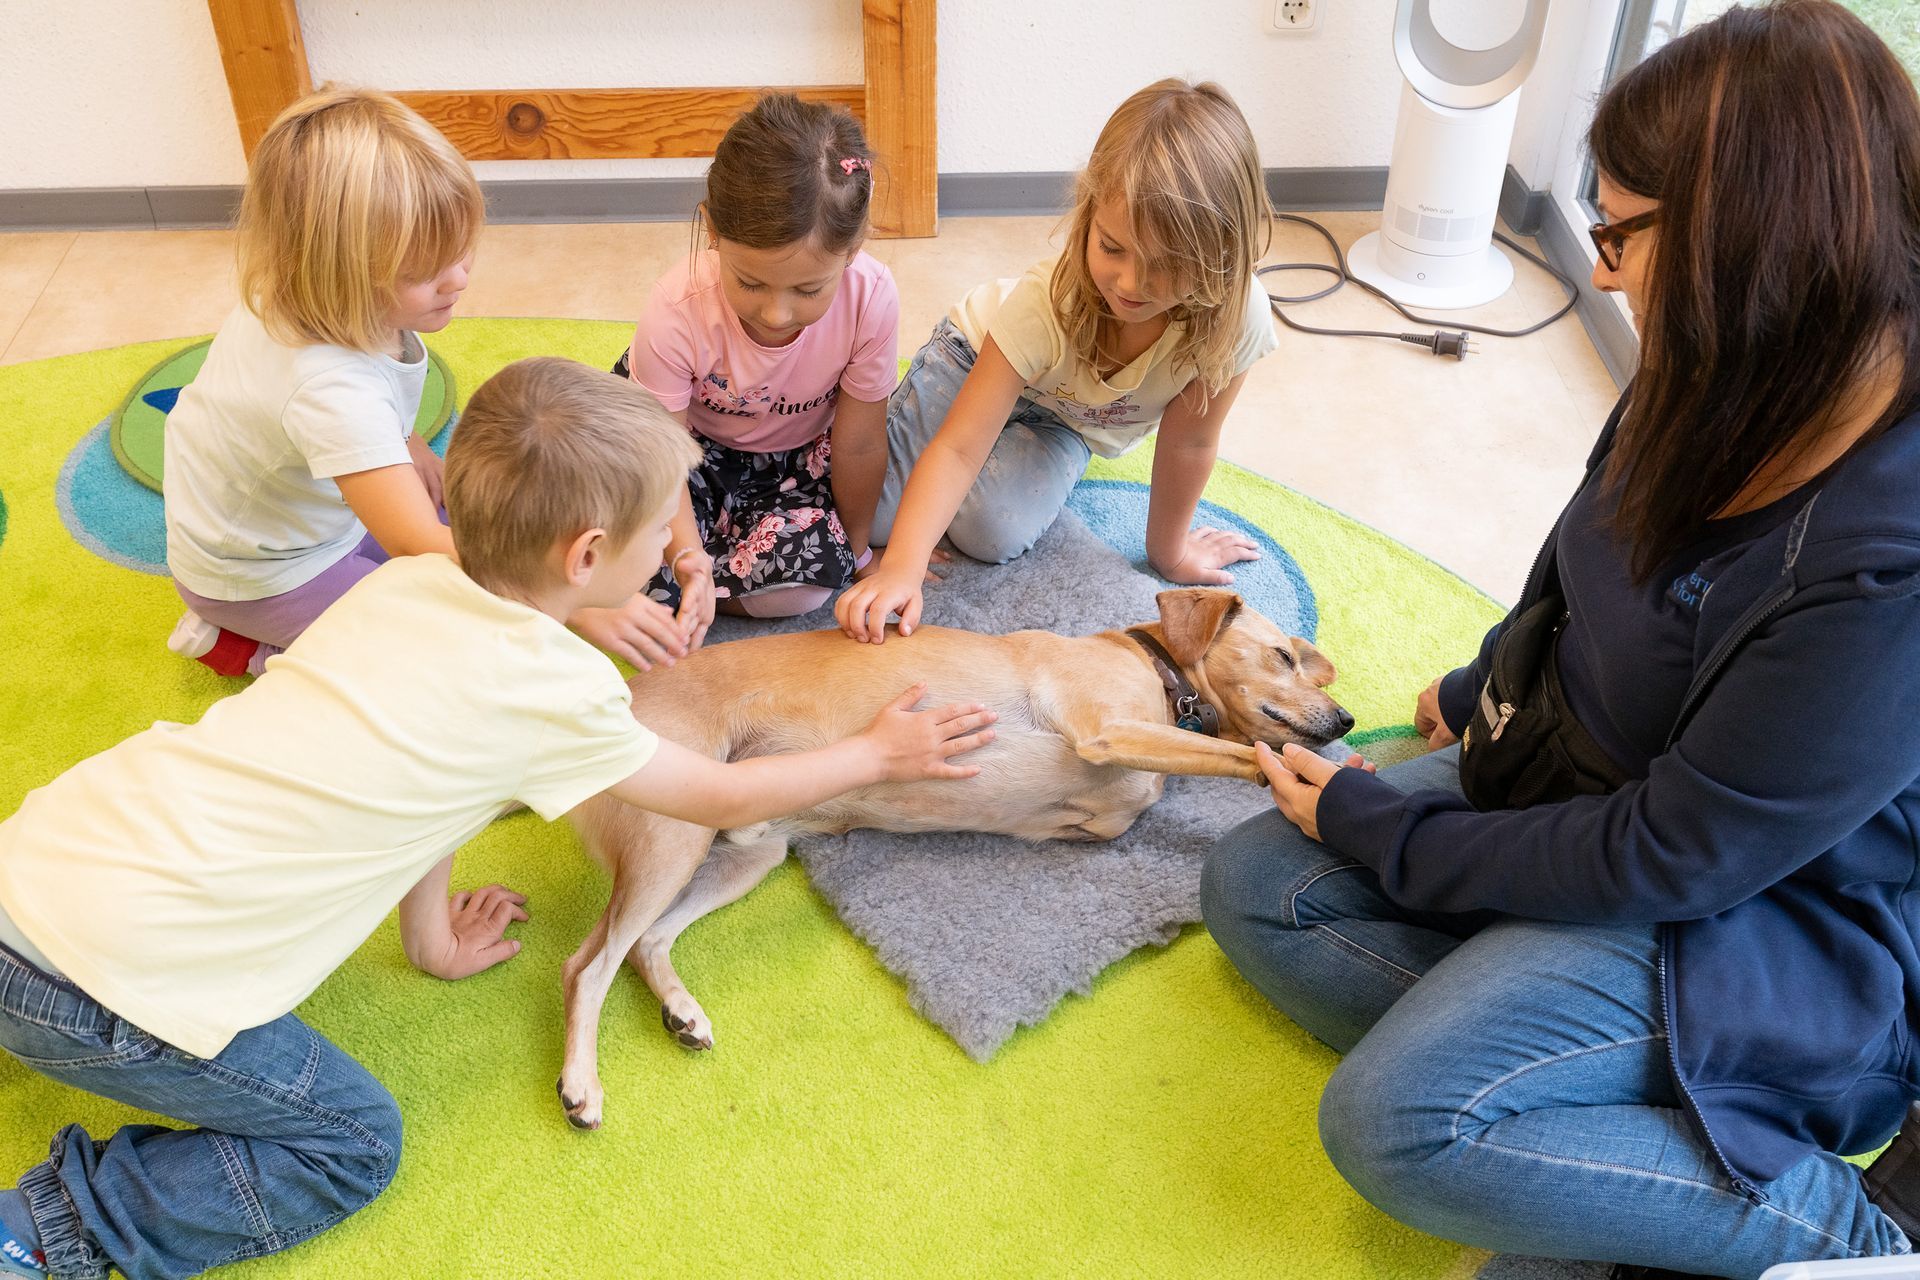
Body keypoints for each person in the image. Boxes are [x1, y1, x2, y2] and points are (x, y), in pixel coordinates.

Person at [0, 358, 994, 1280]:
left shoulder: (402, 580)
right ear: (590, 554)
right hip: (106, 979)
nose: (671, 544)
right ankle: (44, 1232)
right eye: (662, 528)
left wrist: (430, 938)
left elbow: (430, 783)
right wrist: (875, 754)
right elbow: (724, 796)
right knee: (352, 1144)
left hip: (44, 853)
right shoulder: (556, 692)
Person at [1201, 4, 1920, 1276]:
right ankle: (1600, 1124)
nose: (1604, 270)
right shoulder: (1733, 360)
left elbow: (1677, 852)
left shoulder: (1886, 560)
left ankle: (1847, 1235)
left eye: (1623, 233)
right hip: (1586, 784)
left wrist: (1392, 835)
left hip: (1758, 920)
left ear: (1743, 239)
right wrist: (1485, 677)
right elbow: (1579, 553)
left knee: (1398, 1122)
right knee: (1261, 885)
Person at [835, 77, 1280, 644]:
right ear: (1088, 216)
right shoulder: (1047, 300)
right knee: (865, 518)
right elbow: (958, 448)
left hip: (1069, 421)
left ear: (1221, 253)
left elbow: (1189, 442)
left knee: (991, 534)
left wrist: (1169, 554)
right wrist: (902, 565)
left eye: (1166, 264)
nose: (1131, 284)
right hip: (971, 360)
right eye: (1112, 247)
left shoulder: (1236, 317)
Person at [163, 86, 481, 677]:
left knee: (476, 535)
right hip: (265, 577)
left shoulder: (298, 290)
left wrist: (403, 439)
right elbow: (413, 539)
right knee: (445, 652)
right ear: (334, 271)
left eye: (462, 249)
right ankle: (251, 652)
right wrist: (568, 595)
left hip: (303, 522)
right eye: (422, 271)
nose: (458, 279)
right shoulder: (331, 389)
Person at [592, 91, 899, 667]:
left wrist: (858, 556)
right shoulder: (676, 306)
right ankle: (680, 571)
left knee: (815, 575)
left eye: (808, 290)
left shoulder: (872, 298)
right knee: (602, 508)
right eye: (750, 283)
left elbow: (859, 441)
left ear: (853, 248)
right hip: (683, 452)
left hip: (792, 463)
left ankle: (683, 579)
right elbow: (662, 457)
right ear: (712, 231)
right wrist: (689, 561)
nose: (777, 314)